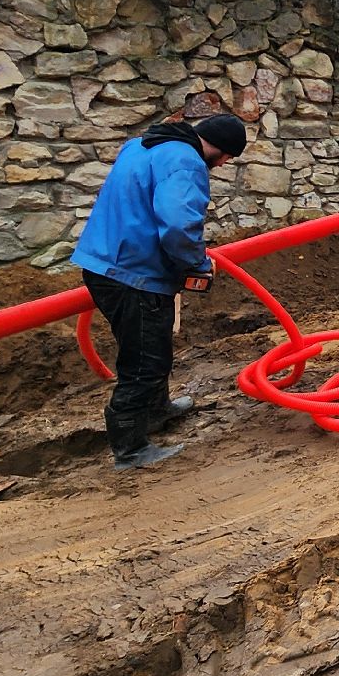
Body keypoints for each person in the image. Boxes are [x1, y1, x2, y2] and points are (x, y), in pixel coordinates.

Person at [72, 113, 249, 469]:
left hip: (107, 262)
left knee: (151, 347)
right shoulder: (186, 163)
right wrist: (196, 263)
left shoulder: (140, 145)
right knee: (143, 363)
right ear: (221, 149)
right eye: (227, 158)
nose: (223, 164)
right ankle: (131, 449)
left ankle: (156, 409)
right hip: (135, 275)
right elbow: (179, 225)